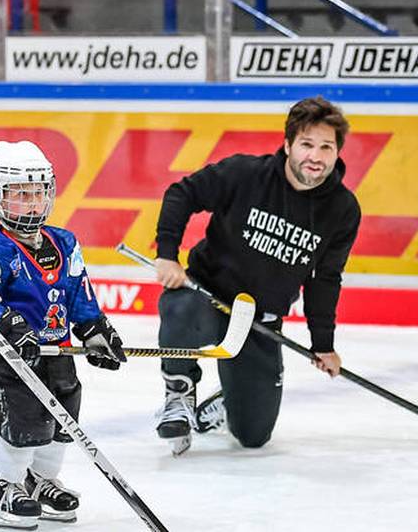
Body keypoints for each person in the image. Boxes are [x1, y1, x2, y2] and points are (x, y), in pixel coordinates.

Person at [152, 96, 362, 455]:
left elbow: (325, 279)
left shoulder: (342, 209)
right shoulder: (245, 174)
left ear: (337, 152)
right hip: (206, 298)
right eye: (306, 144)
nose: (315, 156)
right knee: (179, 308)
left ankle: (229, 400)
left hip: (258, 321)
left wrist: (323, 343)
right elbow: (181, 194)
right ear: (288, 145)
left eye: (326, 147)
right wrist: (167, 255)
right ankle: (179, 395)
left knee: (253, 436)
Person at [0, 141, 127, 530]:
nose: (33, 204)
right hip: (13, 359)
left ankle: (40, 480)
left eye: (38, 193)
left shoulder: (65, 242)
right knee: (25, 424)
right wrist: (10, 326)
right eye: (21, 195)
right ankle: (4, 486)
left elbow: (80, 294)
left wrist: (94, 330)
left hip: (59, 353)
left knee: (64, 421)